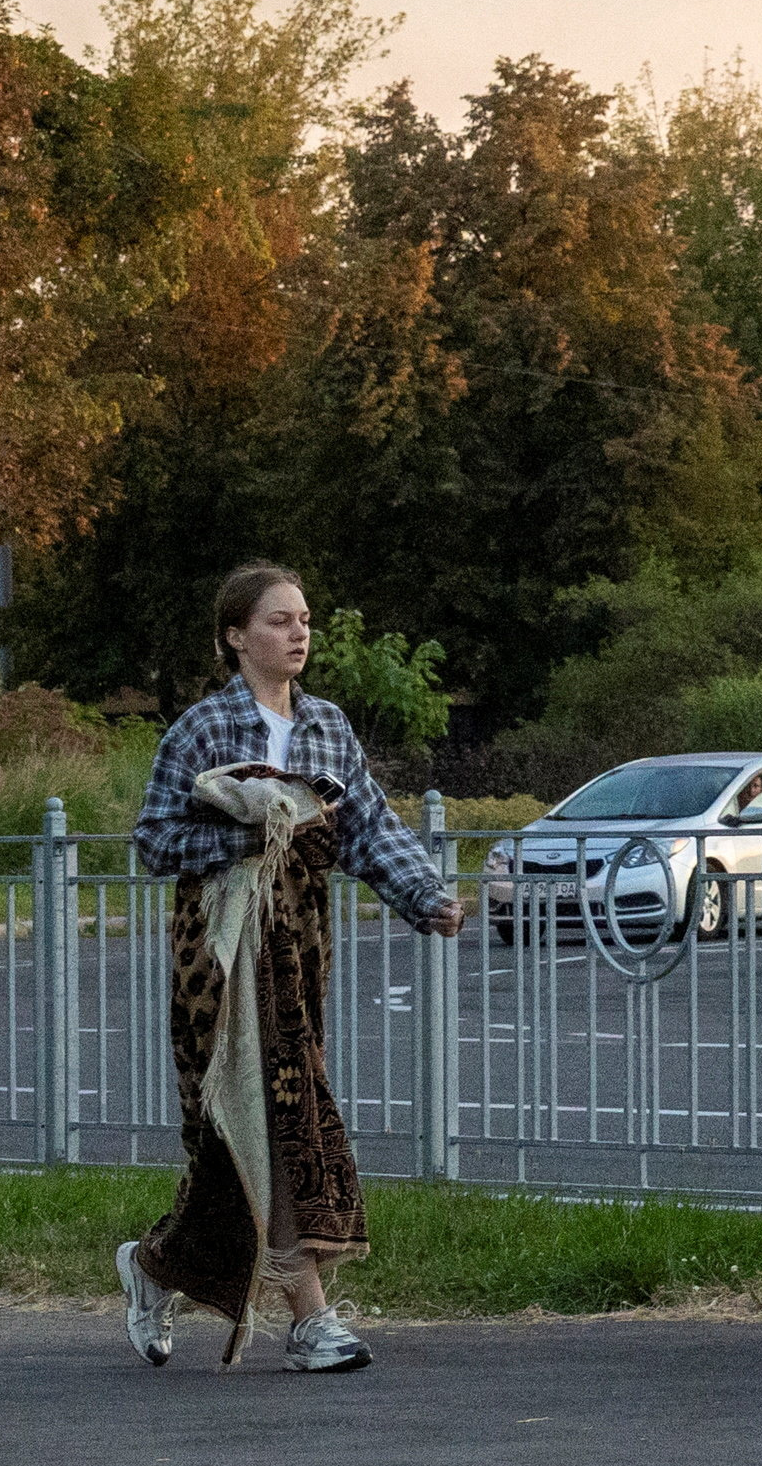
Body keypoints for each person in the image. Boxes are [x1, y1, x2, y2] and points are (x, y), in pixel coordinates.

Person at [116, 562, 469, 1375]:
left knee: (246, 1130)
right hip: (221, 952)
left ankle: (152, 1265)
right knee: (266, 1118)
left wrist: (428, 899)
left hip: (299, 948)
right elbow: (154, 841)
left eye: (304, 618)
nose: (299, 632)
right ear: (236, 636)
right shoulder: (201, 731)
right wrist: (257, 833)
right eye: (279, 620)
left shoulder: (329, 729)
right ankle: (309, 1315)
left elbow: (369, 827)